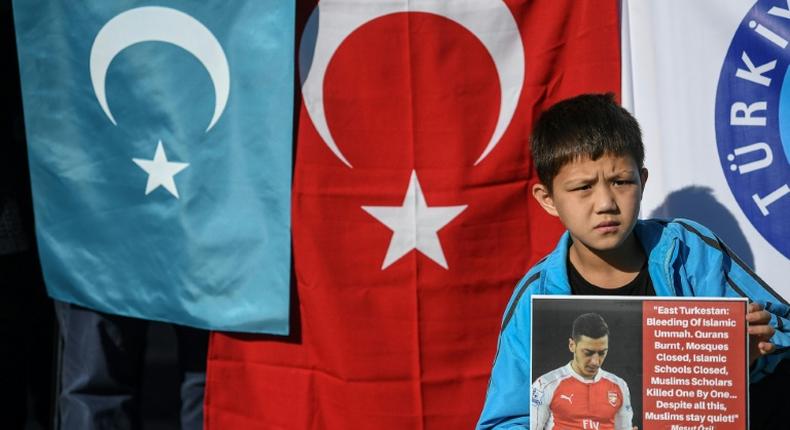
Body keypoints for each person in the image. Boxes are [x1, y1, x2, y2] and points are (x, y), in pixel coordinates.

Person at [476, 93, 789, 429]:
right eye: (583, 187)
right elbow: (504, 421)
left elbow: (782, 332)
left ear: (643, 181)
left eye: (621, 182)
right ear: (548, 199)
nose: (606, 203)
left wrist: (752, 354)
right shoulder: (536, 296)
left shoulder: (687, 252)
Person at [532, 313, 633, 430]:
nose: (595, 361)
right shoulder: (544, 385)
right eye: (588, 353)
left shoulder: (619, 385)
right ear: (572, 345)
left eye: (602, 353)